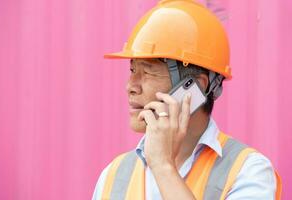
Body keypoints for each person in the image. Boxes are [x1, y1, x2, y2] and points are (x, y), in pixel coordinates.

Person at [92, 0, 282, 199]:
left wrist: (164, 167)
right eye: (132, 71)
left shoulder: (248, 171)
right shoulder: (113, 176)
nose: (130, 87)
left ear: (195, 88)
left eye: (147, 72)